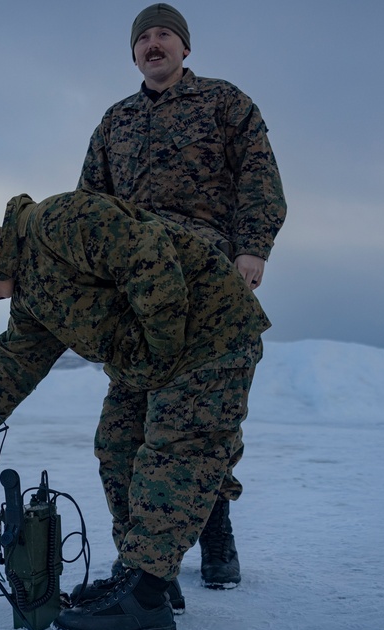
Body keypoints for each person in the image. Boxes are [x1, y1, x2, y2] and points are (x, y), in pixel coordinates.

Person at [0, 189, 269, 630]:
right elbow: (16, 364)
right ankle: (142, 575)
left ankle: (144, 599)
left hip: (209, 333)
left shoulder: (59, 223)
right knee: (117, 444)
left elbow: (149, 254)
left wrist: (160, 352)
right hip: (151, 359)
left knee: (177, 448)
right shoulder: (30, 296)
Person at [77, 2, 286, 588]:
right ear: (134, 52)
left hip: (205, 282)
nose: (154, 43)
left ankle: (215, 526)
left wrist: (253, 246)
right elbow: (90, 203)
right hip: (136, 294)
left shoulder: (224, 103)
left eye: (164, 34)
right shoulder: (114, 122)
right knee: (129, 425)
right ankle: (146, 569)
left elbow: (259, 175)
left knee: (199, 419)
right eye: (143, 37)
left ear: (185, 47)